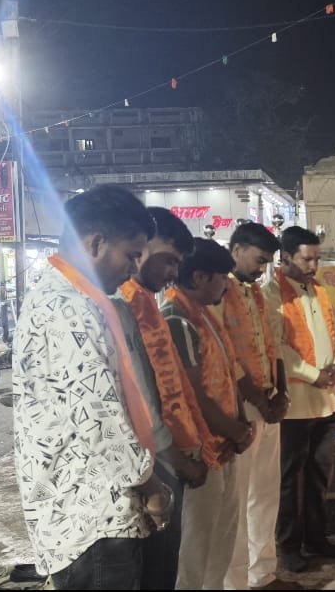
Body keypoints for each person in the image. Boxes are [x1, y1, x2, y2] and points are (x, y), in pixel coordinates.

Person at [12, 186, 173, 590]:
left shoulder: (73, 297)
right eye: (131, 255)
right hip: (92, 516)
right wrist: (149, 485)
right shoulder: (68, 308)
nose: (134, 268)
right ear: (97, 243)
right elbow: (98, 414)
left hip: (93, 509)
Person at [116, 207, 209, 589]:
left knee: (164, 565)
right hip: (149, 461)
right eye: (168, 260)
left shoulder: (145, 301)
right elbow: (140, 396)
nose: (172, 272)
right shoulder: (124, 303)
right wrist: (173, 459)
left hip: (165, 452)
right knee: (153, 569)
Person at [161, 237, 256, 590]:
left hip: (225, 442)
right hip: (202, 451)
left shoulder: (202, 317)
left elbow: (227, 376)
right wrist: (234, 430)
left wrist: (240, 426)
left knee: (221, 540)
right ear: (200, 278)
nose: (226, 287)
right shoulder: (176, 320)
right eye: (221, 279)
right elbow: (193, 395)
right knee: (196, 548)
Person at [216, 222, 294, 590]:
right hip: (241, 407)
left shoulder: (256, 293)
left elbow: (273, 346)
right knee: (238, 500)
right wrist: (260, 398)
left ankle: (263, 575)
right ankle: (237, 583)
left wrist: (280, 393)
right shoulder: (218, 291)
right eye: (259, 260)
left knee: (264, 494)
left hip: (267, 403)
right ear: (236, 249)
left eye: (267, 262)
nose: (262, 268)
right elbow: (225, 357)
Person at [265, 226, 335, 573]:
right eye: (307, 258)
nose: (314, 265)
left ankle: (316, 537)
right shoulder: (271, 294)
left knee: (317, 474)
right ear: (285, 258)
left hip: (327, 399)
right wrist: (316, 374)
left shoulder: (318, 290)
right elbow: (277, 346)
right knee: (288, 480)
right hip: (295, 402)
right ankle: (287, 546)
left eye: (317, 258)